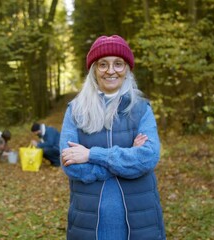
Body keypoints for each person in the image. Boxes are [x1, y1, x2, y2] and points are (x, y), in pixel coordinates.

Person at [59, 35, 166, 239]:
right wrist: (127, 160)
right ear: (93, 70)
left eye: (118, 64)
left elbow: (148, 158)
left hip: (141, 221)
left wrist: (92, 155)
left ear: (126, 69)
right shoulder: (76, 110)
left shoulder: (141, 108)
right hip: (87, 223)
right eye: (103, 64)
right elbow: (70, 163)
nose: (110, 70)